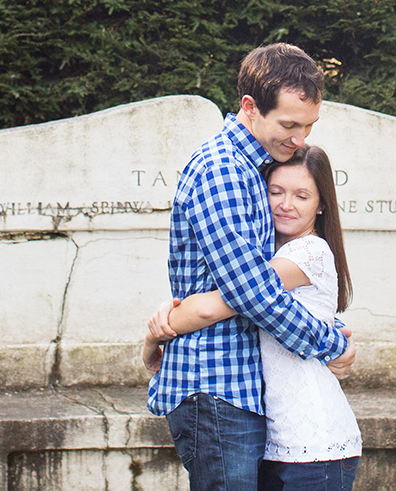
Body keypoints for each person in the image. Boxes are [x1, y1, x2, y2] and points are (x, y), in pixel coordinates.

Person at [146, 43, 355, 491]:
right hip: (216, 383)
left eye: (309, 126)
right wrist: (329, 341)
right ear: (249, 107)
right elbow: (252, 292)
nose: (300, 139)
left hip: (238, 387)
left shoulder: (254, 169)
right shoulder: (223, 170)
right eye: (289, 124)